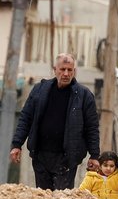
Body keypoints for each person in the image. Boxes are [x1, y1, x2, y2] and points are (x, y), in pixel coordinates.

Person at [10, 52, 100, 190]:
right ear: (55, 69)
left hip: (66, 160)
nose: (65, 73)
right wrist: (17, 144)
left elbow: (92, 127)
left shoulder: (84, 96)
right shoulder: (40, 90)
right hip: (41, 156)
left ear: (74, 71)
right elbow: (26, 118)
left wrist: (94, 155)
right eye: (62, 69)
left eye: (69, 70)